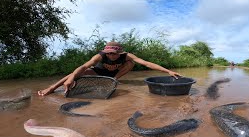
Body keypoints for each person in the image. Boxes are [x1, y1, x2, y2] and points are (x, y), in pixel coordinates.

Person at [38, 41, 181, 96]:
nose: (112, 56)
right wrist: (71, 78)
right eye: (109, 53)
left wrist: (168, 71)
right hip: (98, 71)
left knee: (131, 63)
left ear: (120, 53)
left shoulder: (126, 55)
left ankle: (113, 80)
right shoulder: (100, 56)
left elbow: (147, 63)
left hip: (114, 74)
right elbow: (84, 66)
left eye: (114, 53)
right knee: (77, 73)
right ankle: (51, 88)